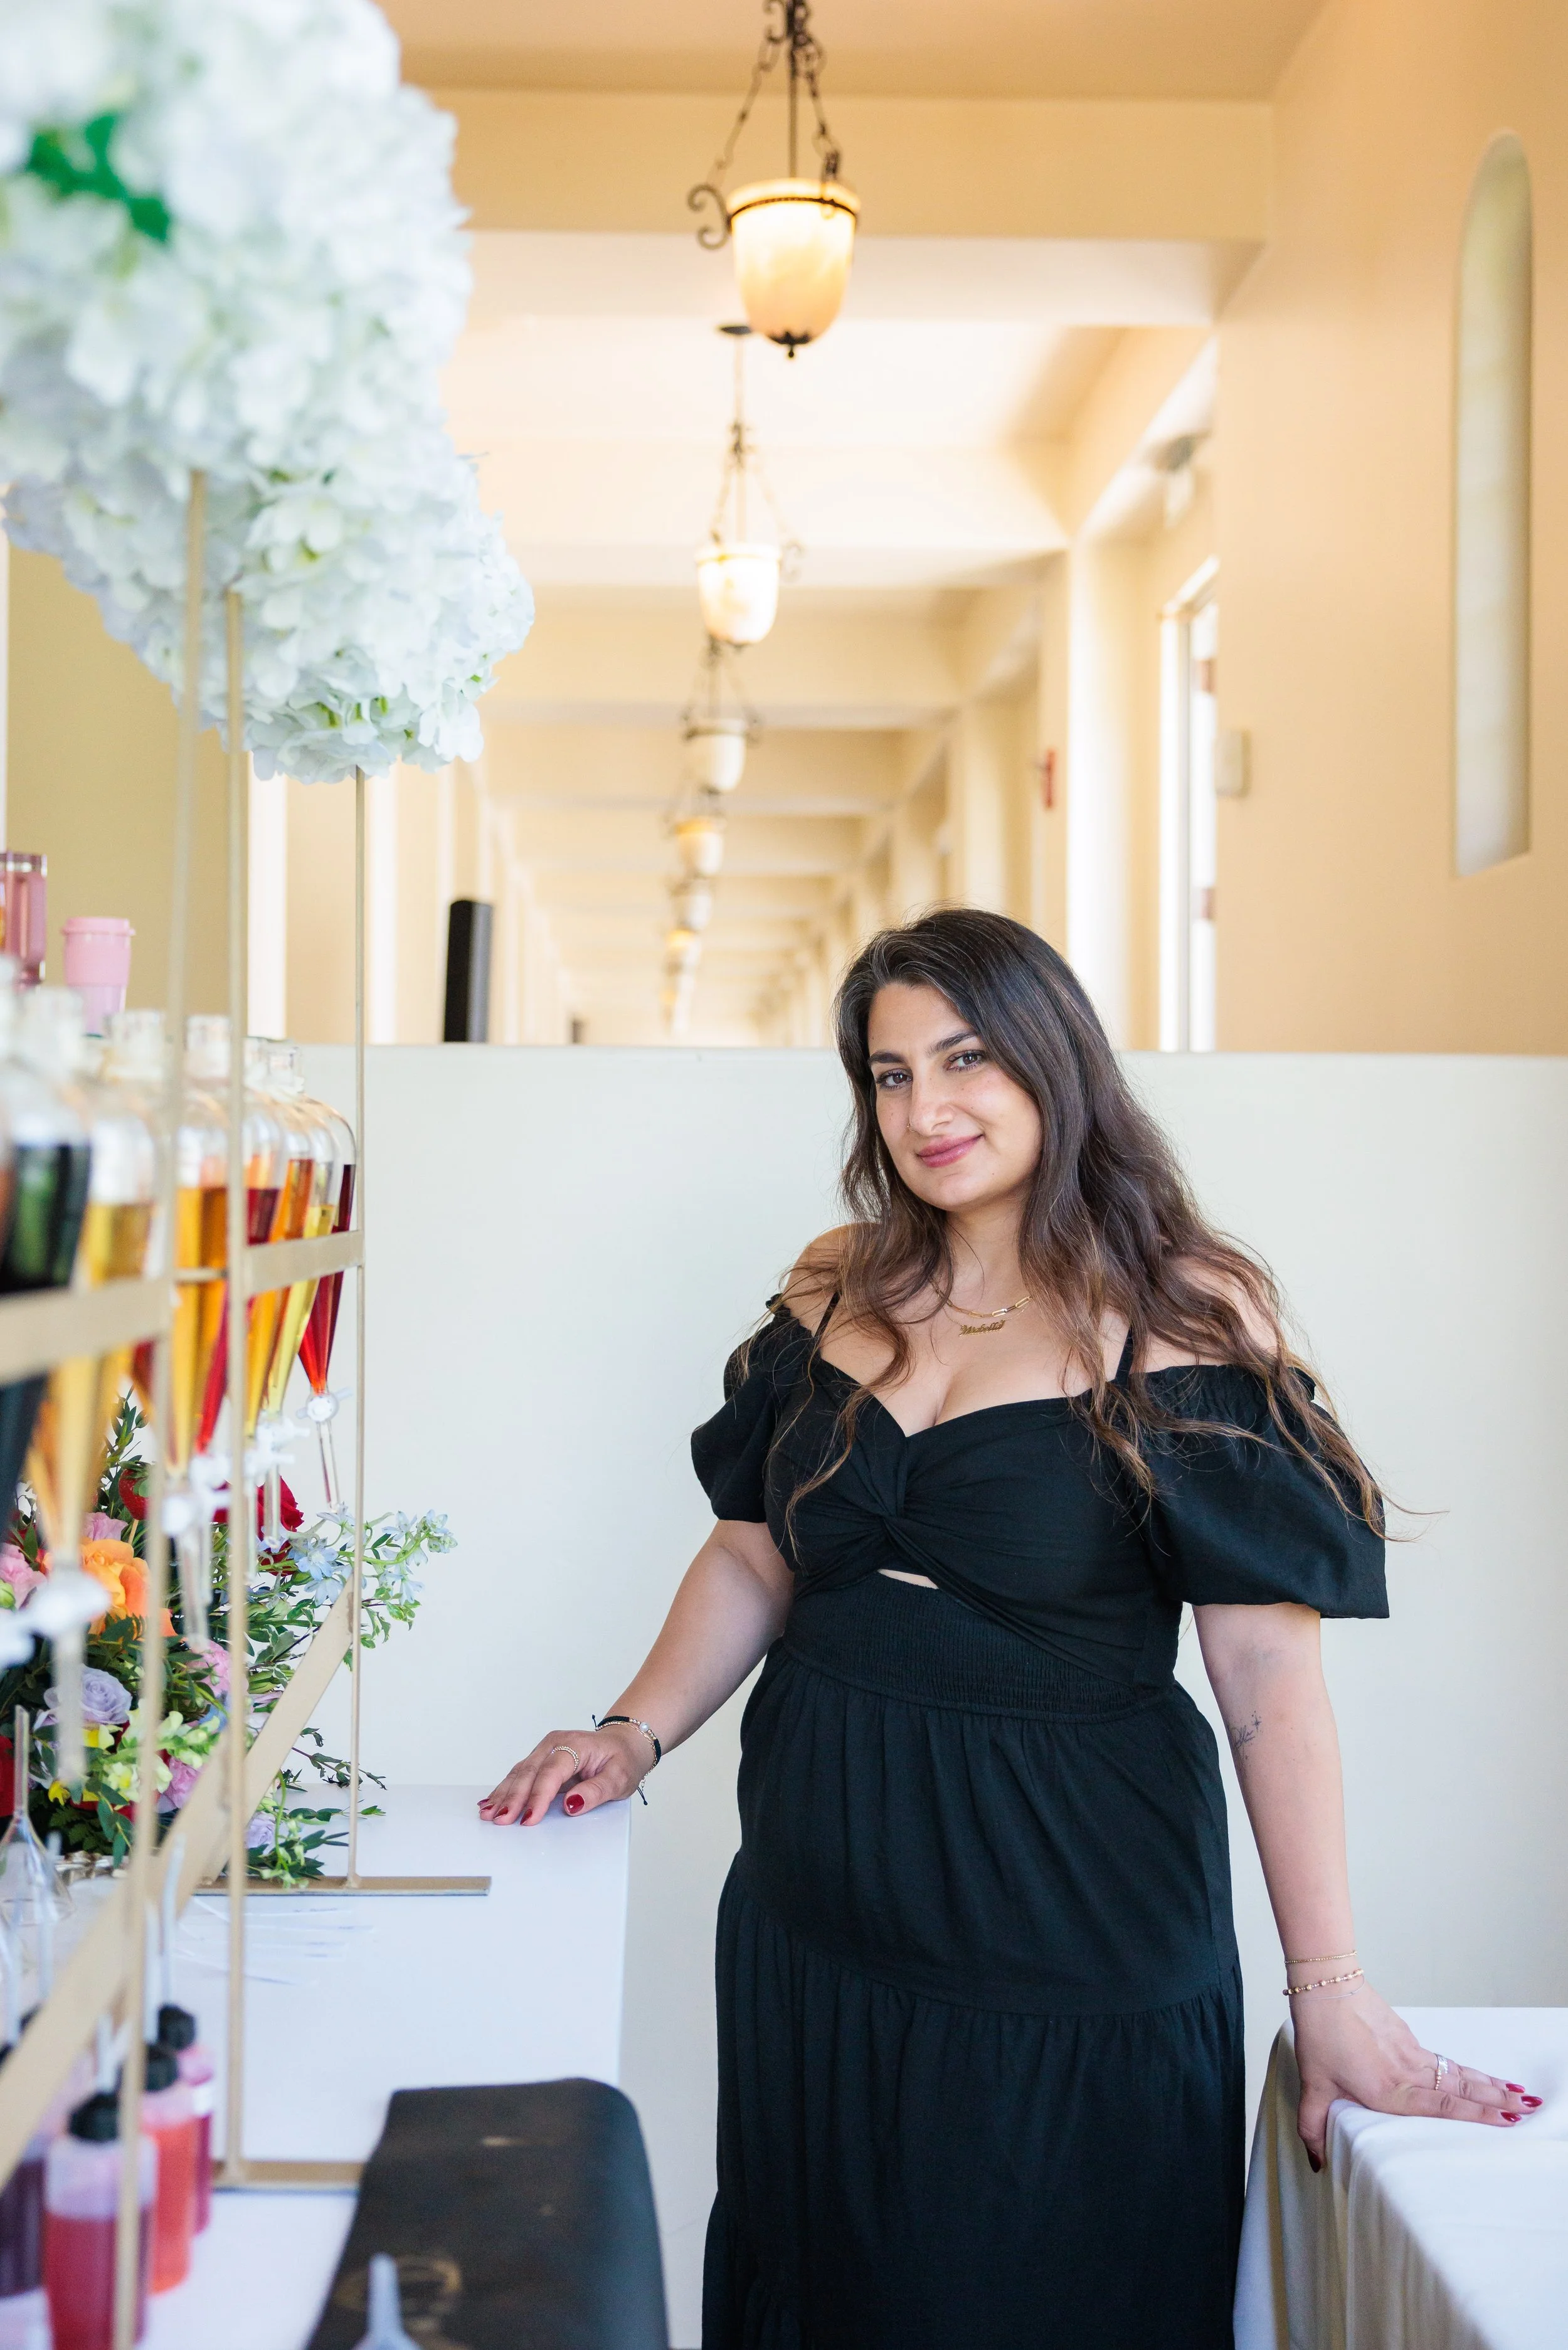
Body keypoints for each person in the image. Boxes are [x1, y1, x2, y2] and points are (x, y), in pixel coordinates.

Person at [481, 909, 1537, 2350]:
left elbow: (1266, 1679)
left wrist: (1330, 1990)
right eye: (889, 1072)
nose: (925, 1108)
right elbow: (752, 1550)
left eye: (965, 1059)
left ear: (1053, 1060)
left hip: (1063, 1923)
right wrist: (628, 1726)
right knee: (819, 2284)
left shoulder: (1182, 1310)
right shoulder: (835, 1276)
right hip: (811, 1911)